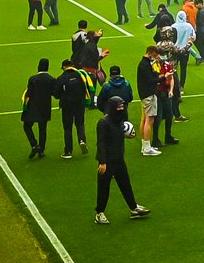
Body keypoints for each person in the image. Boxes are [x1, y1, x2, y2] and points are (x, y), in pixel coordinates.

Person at [92, 96, 150, 224]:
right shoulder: (103, 123)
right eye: (118, 107)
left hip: (119, 160)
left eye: (122, 107)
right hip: (107, 162)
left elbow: (122, 135)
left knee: (125, 185)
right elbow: (100, 143)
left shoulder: (120, 121)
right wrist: (102, 162)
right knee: (103, 189)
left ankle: (133, 208)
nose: (121, 109)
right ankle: (99, 213)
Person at [22, 58, 56, 159]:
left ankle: (34, 144)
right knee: (43, 129)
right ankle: (41, 150)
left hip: (33, 106)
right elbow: (53, 93)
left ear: (38, 66)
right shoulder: (51, 79)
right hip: (45, 107)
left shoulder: (33, 79)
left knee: (27, 125)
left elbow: (29, 93)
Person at [57, 59, 90, 158]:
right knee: (80, 124)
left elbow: (56, 93)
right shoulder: (80, 75)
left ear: (64, 67)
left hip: (67, 105)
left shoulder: (62, 78)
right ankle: (82, 140)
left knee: (67, 128)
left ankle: (68, 151)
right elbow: (87, 87)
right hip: (79, 104)